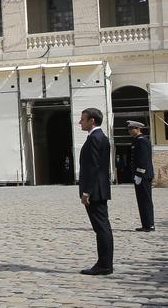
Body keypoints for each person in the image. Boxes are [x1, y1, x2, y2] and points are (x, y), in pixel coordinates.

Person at [78, 108, 113, 276]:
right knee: (102, 227)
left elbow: (93, 167)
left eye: (82, 119)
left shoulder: (94, 138)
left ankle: (104, 264)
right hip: (99, 189)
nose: (80, 122)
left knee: (101, 228)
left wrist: (87, 192)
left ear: (92, 120)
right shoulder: (101, 138)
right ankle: (105, 263)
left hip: (95, 191)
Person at [128, 121, 155, 232]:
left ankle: (149, 225)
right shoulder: (137, 140)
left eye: (131, 129)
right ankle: (146, 224)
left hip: (143, 175)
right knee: (141, 200)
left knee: (145, 200)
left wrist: (139, 174)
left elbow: (143, 159)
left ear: (138, 128)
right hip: (140, 175)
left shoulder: (142, 140)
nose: (129, 131)